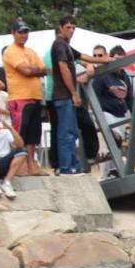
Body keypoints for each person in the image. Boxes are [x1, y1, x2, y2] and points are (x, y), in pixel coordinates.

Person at [50, 15, 106, 175]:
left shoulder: (66, 46)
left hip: (66, 96)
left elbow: (82, 56)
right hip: (63, 95)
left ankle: (73, 165)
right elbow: (63, 69)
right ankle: (67, 167)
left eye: (73, 28)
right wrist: (74, 93)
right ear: (60, 28)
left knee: (72, 131)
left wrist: (104, 60)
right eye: (68, 27)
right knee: (66, 133)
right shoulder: (59, 45)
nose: (71, 31)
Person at [1, 20, 48, 169]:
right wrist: (34, 70)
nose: (23, 35)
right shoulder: (10, 51)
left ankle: (31, 165)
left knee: (33, 135)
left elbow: (44, 69)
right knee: (19, 133)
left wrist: (33, 69)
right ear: (13, 33)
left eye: (26, 31)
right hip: (19, 98)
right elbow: (26, 71)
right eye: (20, 32)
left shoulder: (31, 51)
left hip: (35, 96)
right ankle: (17, 167)